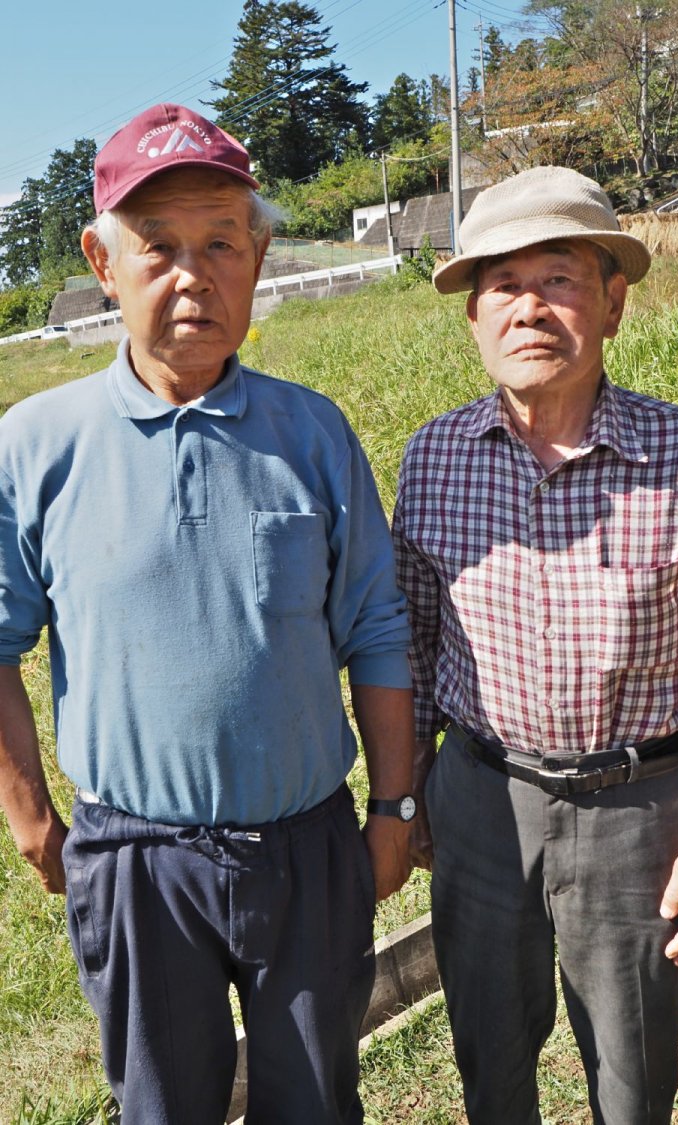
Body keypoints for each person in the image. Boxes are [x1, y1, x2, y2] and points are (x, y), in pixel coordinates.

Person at [0, 103, 417, 1125]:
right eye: (160, 248)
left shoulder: (311, 432)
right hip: (138, 861)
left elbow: (376, 628)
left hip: (308, 848)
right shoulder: (36, 444)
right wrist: (30, 821)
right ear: (104, 263)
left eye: (222, 243)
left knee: (316, 1101)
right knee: (164, 1107)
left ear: (260, 258)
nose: (194, 275)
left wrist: (395, 807)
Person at [393, 165, 678, 1125]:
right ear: (473, 316)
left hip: (646, 812)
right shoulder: (431, 459)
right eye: (502, 285)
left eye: (559, 278)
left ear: (614, 301)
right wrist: (409, 787)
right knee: (489, 1062)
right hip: (479, 799)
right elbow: (415, 644)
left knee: (634, 1082)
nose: (530, 308)